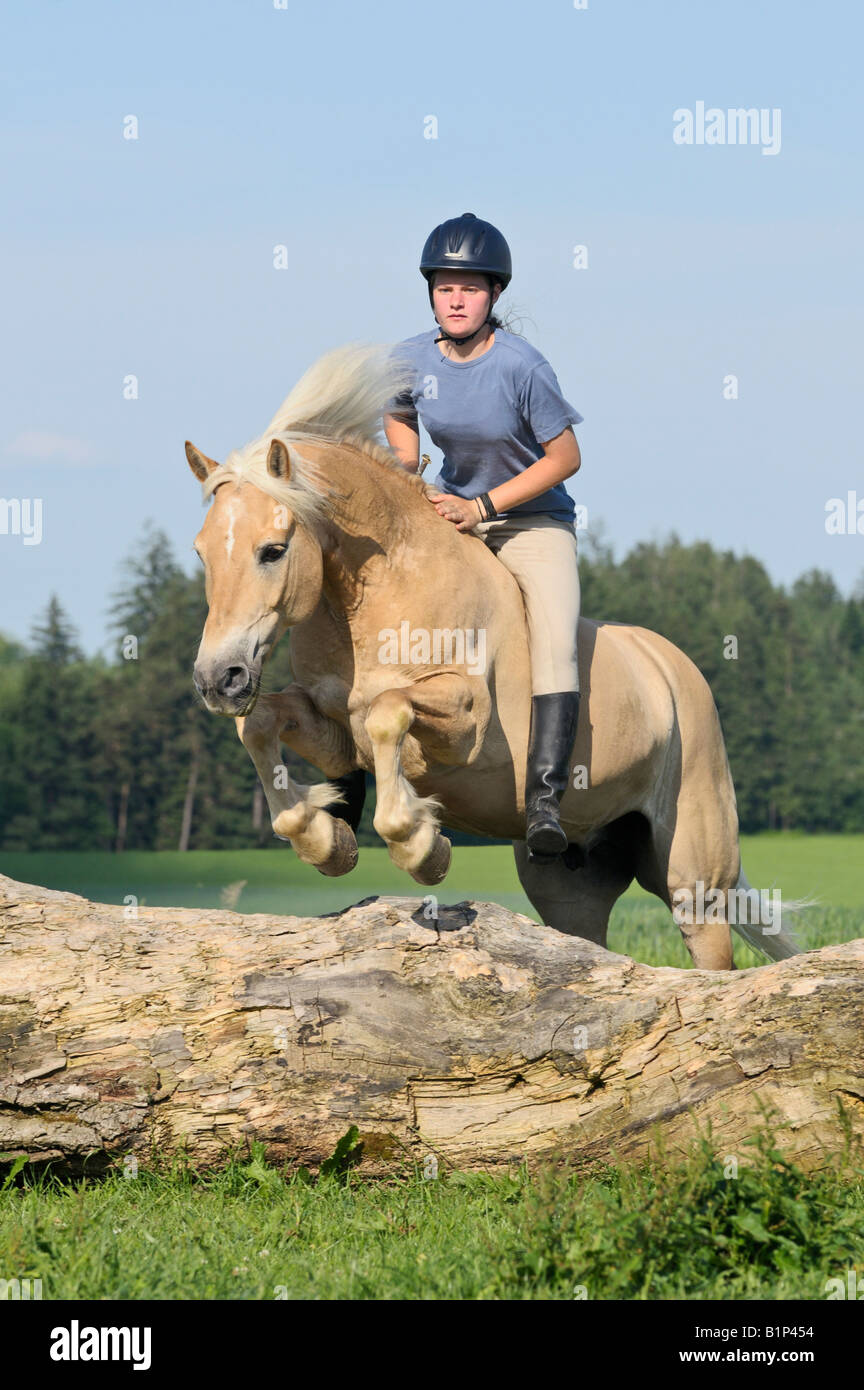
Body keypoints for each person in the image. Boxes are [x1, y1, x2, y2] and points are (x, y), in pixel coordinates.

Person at [370, 212, 584, 862]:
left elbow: (565, 457)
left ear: (493, 295)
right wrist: (407, 469)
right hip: (449, 517)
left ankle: (544, 801)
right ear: (431, 294)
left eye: (469, 287)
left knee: (554, 640)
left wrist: (484, 504)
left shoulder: (523, 366)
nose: (456, 299)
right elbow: (397, 412)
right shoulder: (408, 357)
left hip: (530, 521)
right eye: (444, 288)